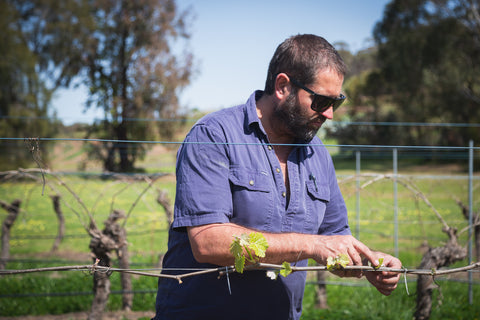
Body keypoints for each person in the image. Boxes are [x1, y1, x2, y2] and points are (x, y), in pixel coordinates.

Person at [153, 34, 401, 320]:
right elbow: (207, 241)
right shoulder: (213, 135)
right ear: (283, 86)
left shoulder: (317, 154)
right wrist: (311, 245)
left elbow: (334, 237)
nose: (330, 114)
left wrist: (371, 262)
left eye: (337, 102)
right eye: (321, 101)